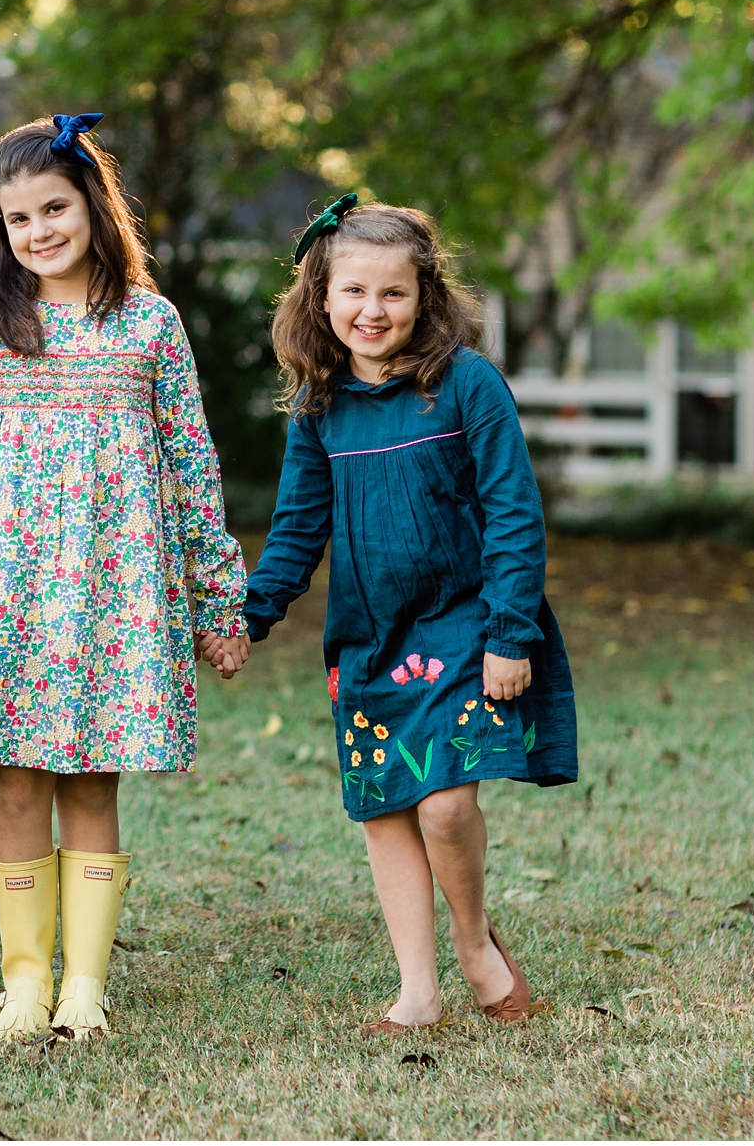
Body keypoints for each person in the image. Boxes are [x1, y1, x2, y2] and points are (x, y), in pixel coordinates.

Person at [0, 113, 249, 1043]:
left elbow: (193, 467)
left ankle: (84, 985)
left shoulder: (151, 325)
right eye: (18, 219)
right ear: (0, 230)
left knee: (94, 783)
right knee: (13, 784)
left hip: (114, 590)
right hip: (2, 590)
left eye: (55, 207)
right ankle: (23, 982)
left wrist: (218, 597)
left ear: (93, 202)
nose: (40, 230)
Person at [241, 195, 578, 1032]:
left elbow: (513, 513)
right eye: (353, 292)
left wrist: (511, 632)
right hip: (369, 634)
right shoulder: (322, 406)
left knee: (445, 803)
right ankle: (417, 990)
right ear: (321, 298)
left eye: (393, 293)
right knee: (387, 803)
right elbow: (297, 528)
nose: (372, 311)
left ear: (426, 298)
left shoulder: (467, 384)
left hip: (465, 624)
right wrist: (247, 616)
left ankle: (474, 942)